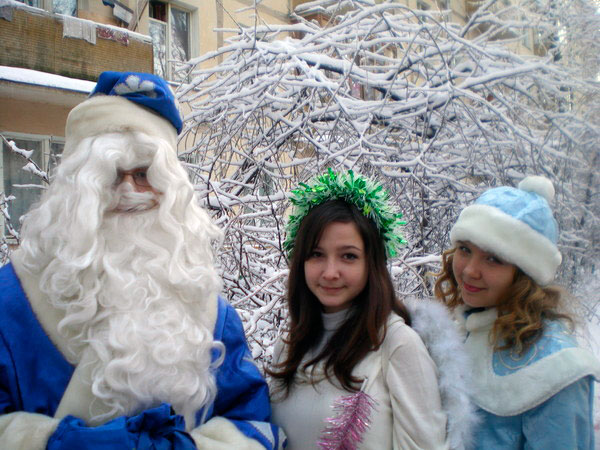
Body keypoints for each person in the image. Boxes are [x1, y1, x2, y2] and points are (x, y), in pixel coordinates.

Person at [0, 71, 284, 449]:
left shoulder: (211, 316)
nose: (128, 191)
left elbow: (252, 422)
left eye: (144, 174)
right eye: (110, 175)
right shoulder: (11, 300)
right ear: (76, 188)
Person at [268, 169, 473, 450]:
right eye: (316, 254)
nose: (330, 272)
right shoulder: (289, 345)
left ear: (371, 263)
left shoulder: (397, 344)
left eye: (348, 256)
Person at [434, 175, 600, 449]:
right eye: (465, 249)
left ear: (524, 274)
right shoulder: (465, 327)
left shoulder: (556, 371)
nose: (470, 270)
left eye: (493, 259)